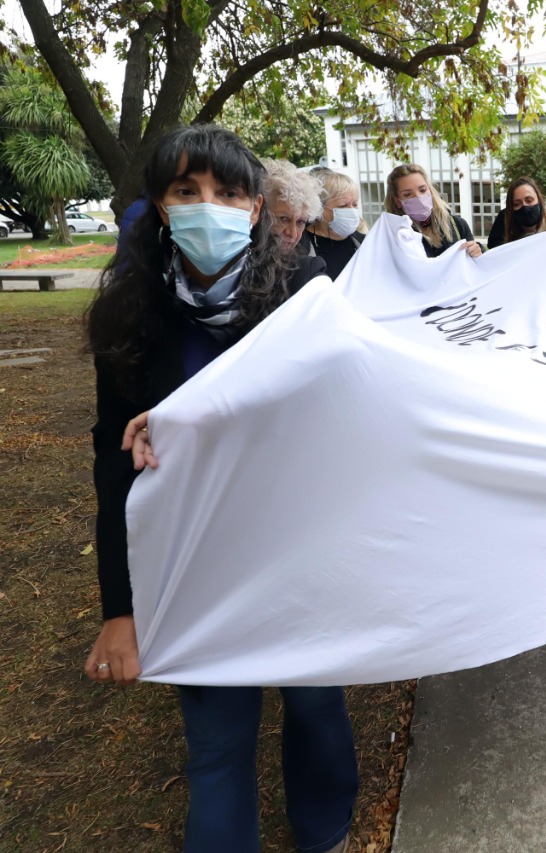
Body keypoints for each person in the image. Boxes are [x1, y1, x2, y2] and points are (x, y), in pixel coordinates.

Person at [83, 124, 356, 853]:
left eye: (229, 192)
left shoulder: (305, 296)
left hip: (297, 553)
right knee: (216, 746)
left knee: (317, 706)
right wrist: (121, 610)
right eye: (187, 191)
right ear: (161, 208)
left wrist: (192, 416)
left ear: (257, 209)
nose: (210, 205)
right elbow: (113, 469)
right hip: (195, 564)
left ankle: (323, 834)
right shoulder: (129, 318)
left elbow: (348, 409)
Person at [384, 164, 483, 259]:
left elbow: (476, 266)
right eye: (408, 194)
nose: (418, 197)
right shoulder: (393, 236)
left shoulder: (458, 225)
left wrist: (478, 251)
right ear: (398, 201)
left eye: (422, 190)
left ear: (430, 191)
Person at [302, 167, 365, 278]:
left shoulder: (363, 242)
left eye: (354, 204)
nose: (351, 211)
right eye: (343, 206)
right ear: (320, 208)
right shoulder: (300, 246)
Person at [262, 159, 325, 258]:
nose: (293, 234)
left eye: (301, 222)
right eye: (283, 219)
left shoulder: (307, 262)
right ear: (258, 211)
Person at [488, 177, 546, 249]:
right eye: (516, 204)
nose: (525, 206)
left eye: (529, 200)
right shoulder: (505, 235)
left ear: (539, 200)